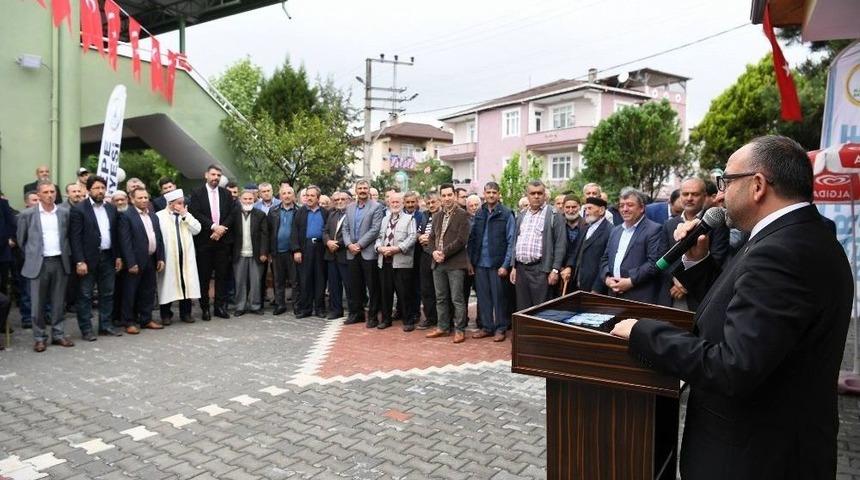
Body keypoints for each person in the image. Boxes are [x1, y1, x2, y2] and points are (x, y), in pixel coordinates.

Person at [612, 135, 853, 480]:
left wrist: (643, 332)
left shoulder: (782, 252)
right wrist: (698, 262)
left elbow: (734, 366)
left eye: (726, 181)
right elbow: (741, 310)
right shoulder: (796, 236)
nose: (720, 194)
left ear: (757, 185)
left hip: (754, 458)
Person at [17, 180, 74, 352]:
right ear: (39, 195)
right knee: (37, 304)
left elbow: (68, 236)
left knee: (58, 302)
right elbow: (21, 240)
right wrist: (33, 255)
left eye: (52, 192)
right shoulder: (27, 215)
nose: (50, 195)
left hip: (59, 261)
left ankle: (58, 334)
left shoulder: (64, 213)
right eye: (46, 192)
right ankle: (39, 337)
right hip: (38, 263)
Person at [659, 178, 730, 310]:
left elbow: (718, 256)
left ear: (704, 196)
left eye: (695, 194)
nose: (689, 198)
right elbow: (662, 255)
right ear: (680, 196)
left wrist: (687, 281)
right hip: (672, 293)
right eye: (685, 194)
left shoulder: (716, 223)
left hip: (701, 297)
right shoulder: (669, 224)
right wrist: (676, 279)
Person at [69, 176, 123, 340]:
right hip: (87, 259)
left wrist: (118, 256)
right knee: (85, 295)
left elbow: (116, 235)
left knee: (107, 293)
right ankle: (86, 329)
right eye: (97, 188)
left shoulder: (111, 208)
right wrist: (79, 260)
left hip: (108, 257)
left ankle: (105, 325)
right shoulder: (79, 209)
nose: (100, 191)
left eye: (102, 188)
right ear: (88, 190)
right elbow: (75, 238)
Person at [599, 188, 665, 304]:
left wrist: (630, 281)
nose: (625, 209)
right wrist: (607, 279)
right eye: (621, 205)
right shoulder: (615, 230)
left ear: (641, 208)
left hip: (639, 296)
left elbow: (654, 263)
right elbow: (605, 258)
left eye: (630, 205)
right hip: (614, 294)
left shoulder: (654, 230)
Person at [468, 182, 514, 342]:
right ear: (484, 194)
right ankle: (487, 327)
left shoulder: (506, 214)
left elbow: (511, 241)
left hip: (497, 265)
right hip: (480, 264)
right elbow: (473, 239)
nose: (491, 195)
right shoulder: (479, 213)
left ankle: (501, 328)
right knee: (483, 298)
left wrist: (505, 265)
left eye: (494, 192)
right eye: (488, 192)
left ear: (499, 194)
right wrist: (471, 262)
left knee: (499, 299)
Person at [425, 183, 471, 343]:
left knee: (457, 298)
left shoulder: (462, 215)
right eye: (443, 196)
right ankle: (443, 327)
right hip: (438, 263)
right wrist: (434, 252)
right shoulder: (437, 216)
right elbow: (431, 238)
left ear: (455, 196)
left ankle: (459, 329)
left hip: (455, 264)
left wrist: (444, 253)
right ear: (440, 197)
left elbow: (461, 240)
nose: (447, 198)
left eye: (449, 195)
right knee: (441, 297)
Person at [188, 165, 235, 320]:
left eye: (218, 175)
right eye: (213, 174)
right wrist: (214, 227)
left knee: (222, 276)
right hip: (204, 242)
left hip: (222, 242)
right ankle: (205, 308)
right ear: (206, 175)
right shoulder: (196, 193)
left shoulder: (226, 194)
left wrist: (221, 229)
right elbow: (196, 213)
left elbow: (231, 214)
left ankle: (219, 308)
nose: (216, 177)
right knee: (204, 277)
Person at [510, 181, 566, 310]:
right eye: (533, 193)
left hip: (540, 270)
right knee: (523, 309)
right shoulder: (522, 215)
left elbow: (560, 244)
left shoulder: (554, 214)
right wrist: (514, 267)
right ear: (527, 195)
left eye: (539, 193)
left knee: (541, 310)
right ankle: (525, 331)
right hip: (521, 270)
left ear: (544, 195)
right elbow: (516, 241)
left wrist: (555, 270)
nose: (536, 196)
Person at [119, 188, 165, 333]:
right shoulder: (126, 216)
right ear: (132, 200)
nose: (144, 200)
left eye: (146, 197)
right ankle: (128, 322)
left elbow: (158, 237)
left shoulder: (153, 215)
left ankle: (146, 319)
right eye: (140, 198)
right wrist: (131, 262)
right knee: (130, 292)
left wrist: (160, 257)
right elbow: (125, 242)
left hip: (151, 259)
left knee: (148, 291)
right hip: (135, 261)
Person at [342, 180, 384, 327]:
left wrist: (359, 245)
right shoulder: (350, 207)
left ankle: (372, 317)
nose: (362, 190)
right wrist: (349, 245)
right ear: (355, 190)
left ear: (369, 190)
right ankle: (356, 314)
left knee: (372, 287)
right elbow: (345, 228)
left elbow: (375, 229)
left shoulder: (376, 207)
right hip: (352, 252)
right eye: (360, 188)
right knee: (355, 286)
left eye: (365, 188)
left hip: (368, 252)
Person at [156, 189, 201, 324]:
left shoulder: (186, 215)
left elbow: (197, 229)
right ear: (171, 203)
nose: (182, 205)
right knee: (167, 286)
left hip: (186, 258)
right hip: (169, 257)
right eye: (179, 203)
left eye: (183, 203)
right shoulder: (159, 216)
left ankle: (186, 313)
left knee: (185, 284)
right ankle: (165, 315)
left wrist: (185, 216)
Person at [375, 192, 417, 330]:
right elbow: (379, 237)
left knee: (404, 293)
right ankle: (386, 320)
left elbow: (412, 237)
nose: (395, 204)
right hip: (385, 260)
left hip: (401, 262)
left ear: (402, 203)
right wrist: (379, 248)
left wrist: (397, 248)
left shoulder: (410, 219)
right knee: (385, 292)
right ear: (389, 203)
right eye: (392, 202)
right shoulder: (385, 219)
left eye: (397, 202)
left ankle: (408, 321)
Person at [290, 186, 328, 318]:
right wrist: (296, 250)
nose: (309, 198)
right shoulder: (300, 212)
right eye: (307, 195)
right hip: (305, 248)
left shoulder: (324, 212)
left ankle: (320, 308)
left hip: (320, 248)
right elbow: (294, 232)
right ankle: (305, 309)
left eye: (312, 196)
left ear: (318, 198)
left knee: (320, 279)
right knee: (305, 280)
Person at [231, 190, 269, 316]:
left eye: (250, 199)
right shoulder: (234, 214)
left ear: (254, 200)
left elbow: (265, 235)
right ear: (240, 200)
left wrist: (264, 252)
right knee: (240, 281)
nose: (248, 201)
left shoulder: (260, 214)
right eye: (245, 199)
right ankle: (240, 307)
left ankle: (255, 305)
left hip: (256, 254)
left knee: (256, 281)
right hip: (239, 253)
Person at [566, 197, 612, 293]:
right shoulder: (585, 228)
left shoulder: (610, 231)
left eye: (590, 208)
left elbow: (607, 262)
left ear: (601, 210)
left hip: (594, 289)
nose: (586, 212)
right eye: (585, 209)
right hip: (577, 284)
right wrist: (569, 267)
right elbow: (576, 251)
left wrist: (597, 288)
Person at [323, 191, 350, 320]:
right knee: (333, 285)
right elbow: (325, 230)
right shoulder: (332, 214)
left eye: (342, 199)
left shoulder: (351, 215)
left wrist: (337, 244)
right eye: (337, 199)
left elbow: (353, 234)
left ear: (349, 200)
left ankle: (353, 310)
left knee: (349, 284)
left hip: (344, 254)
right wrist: (328, 241)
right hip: (331, 255)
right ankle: (336, 310)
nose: (339, 201)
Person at [415, 192, 439, 330]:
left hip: (439, 254)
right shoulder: (424, 215)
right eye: (428, 203)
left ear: (439, 202)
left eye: (433, 202)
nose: (431, 205)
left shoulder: (443, 215)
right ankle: (430, 317)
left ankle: (443, 318)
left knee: (440, 289)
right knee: (426, 288)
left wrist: (429, 238)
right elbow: (418, 231)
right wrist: (420, 236)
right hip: (425, 254)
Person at [558, 194, 583, 295]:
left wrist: (570, 267)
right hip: (559, 273)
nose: (571, 210)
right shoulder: (558, 225)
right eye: (567, 207)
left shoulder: (586, 225)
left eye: (574, 207)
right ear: (563, 208)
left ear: (579, 207)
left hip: (577, 274)